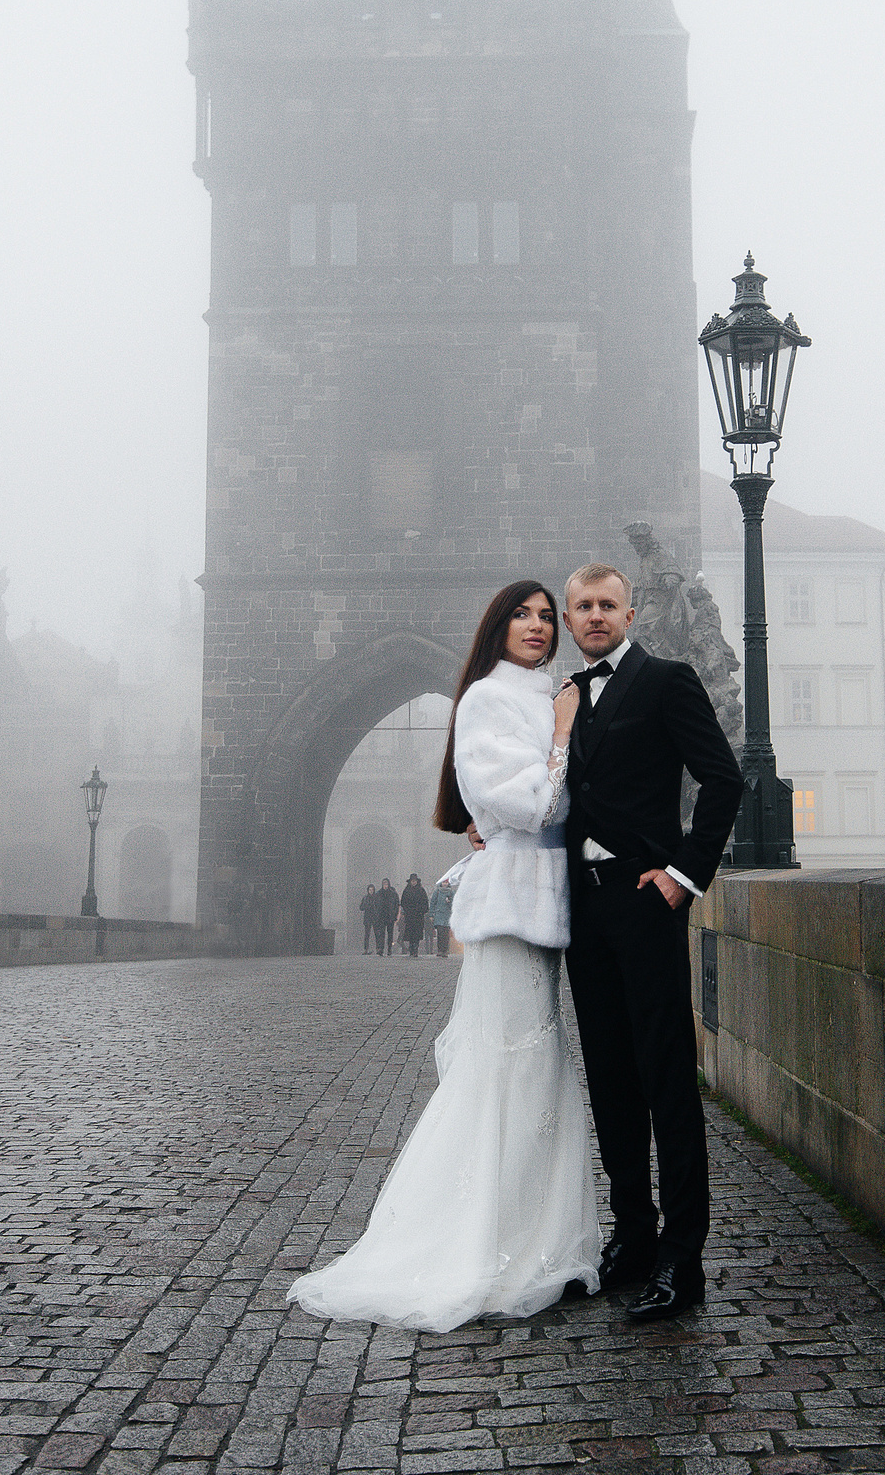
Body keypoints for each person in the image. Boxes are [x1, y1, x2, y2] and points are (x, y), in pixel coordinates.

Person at [288, 580, 600, 1331]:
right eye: (521, 614)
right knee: (510, 1068)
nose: (538, 625)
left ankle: (535, 1238)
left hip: (541, 907)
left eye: (545, 616)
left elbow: (547, 806)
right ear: (496, 626)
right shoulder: (493, 699)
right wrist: (562, 733)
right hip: (511, 914)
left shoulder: (541, 694)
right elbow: (531, 804)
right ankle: (489, 1245)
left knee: (537, 1067)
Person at [556, 560, 742, 1324]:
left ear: (630, 614)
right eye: (582, 606)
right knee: (610, 1079)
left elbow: (724, 779)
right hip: (586, 913)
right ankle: (631, 1237)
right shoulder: (567, 698)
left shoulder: (666, 680)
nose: (595, 615)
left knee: (667, 1080)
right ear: (570, 620)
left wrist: (682, 874)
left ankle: (681, 1255)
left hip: (644, 901)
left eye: (608, 604)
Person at [397, 873, 428, 957]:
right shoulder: (406, 891)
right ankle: (411, 948)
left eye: (414, 881)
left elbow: (425, 902)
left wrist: (422, 911)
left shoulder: (421, 890)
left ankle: (416, 948)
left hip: (418, 915)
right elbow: (403, 902)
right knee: (410, 932)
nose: (413, 882)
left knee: (417, 933)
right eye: (412, 881)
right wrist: (406, 911)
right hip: (409, 915)